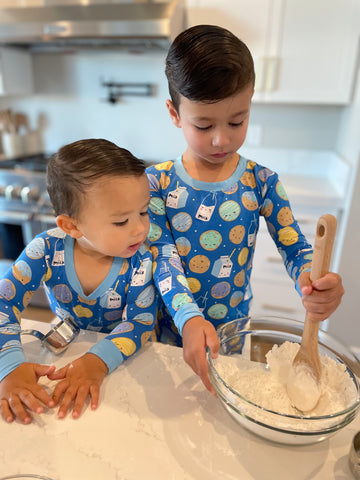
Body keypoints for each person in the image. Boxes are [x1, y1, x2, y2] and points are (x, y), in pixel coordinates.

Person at [146, 24, 344, 394]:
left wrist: (314, 280)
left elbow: (297, 248)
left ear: (251, 101)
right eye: (203, 125)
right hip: (169, 330)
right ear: (174, 113)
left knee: (221, 407)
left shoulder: (262, 181)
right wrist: (189, 319)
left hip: (232, 333)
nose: (222, 138)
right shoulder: (155, 184)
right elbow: (163, 258)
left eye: (237, 121)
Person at [0, 138, 157, 424]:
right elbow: (4, 301)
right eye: (121, 221)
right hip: (63, 351)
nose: (140, 228)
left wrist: (97, 361)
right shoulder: (45, 249)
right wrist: (9, 366)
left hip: (120, 362)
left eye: (144, 211)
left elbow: (141, 322)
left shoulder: (140, 259)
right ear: (71, 226)